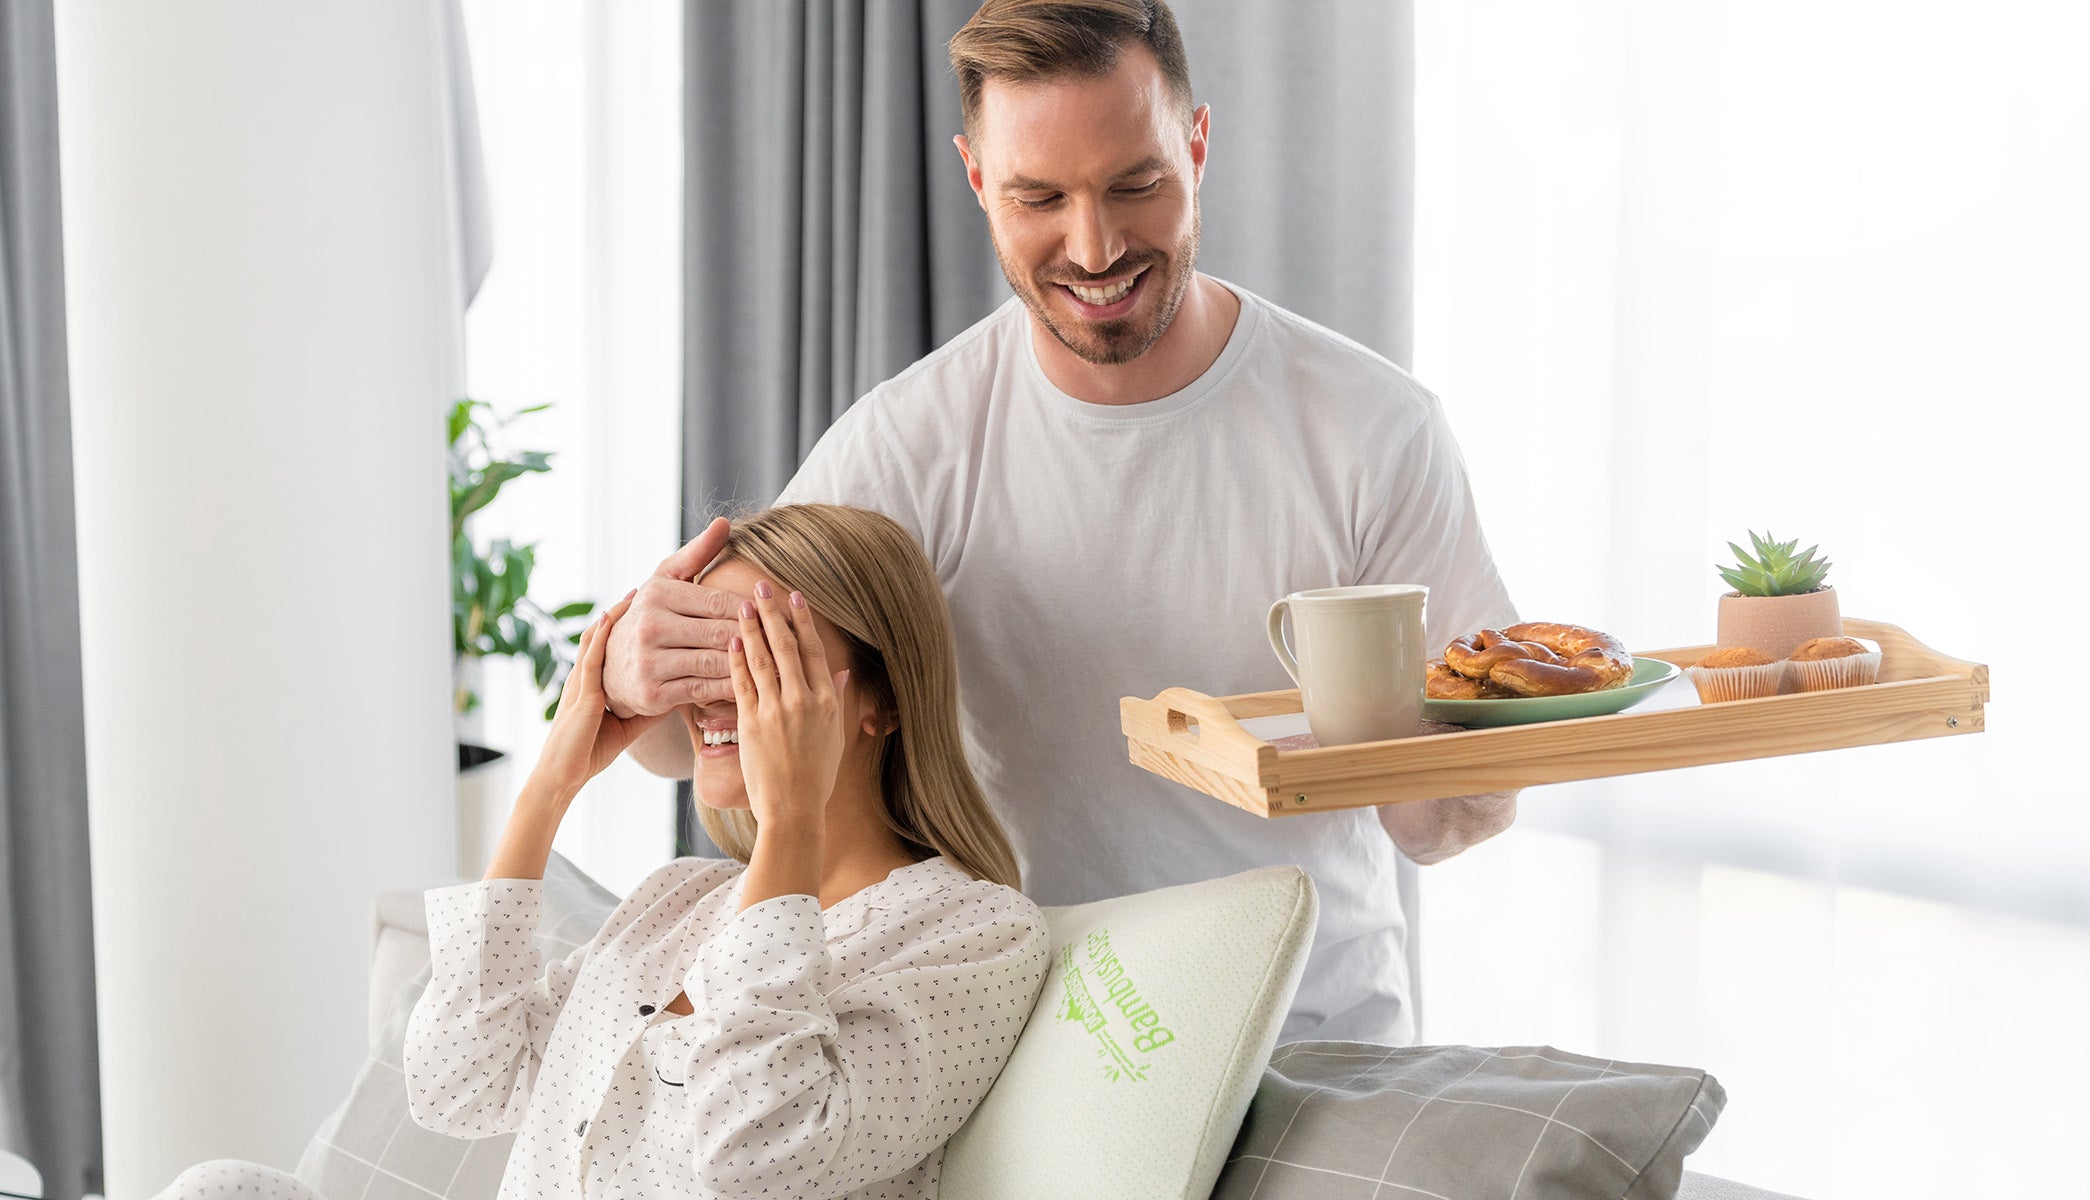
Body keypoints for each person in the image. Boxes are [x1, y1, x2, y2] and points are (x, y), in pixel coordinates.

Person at [603, 0, 1518, 1046]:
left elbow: (1436, 827)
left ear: (1199, 146)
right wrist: (640, 680)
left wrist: (1487, 768)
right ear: (978, 178)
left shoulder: (1373, 429)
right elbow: (697, 746)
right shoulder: (906, 448)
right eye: (1041, 197)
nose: (1095, 247)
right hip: (1026, 1050)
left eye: (1136, 185)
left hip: (1311, 1049)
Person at [157, 504, 1048, 1200]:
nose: (712, 692)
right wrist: (553, 777)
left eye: (762, 656)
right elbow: (457, 1084)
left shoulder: (973, 934)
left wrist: (792, 827)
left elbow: (758, 1149)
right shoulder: (679, 903)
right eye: (701, 652)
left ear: (882, 702)